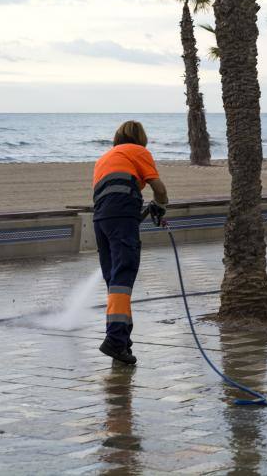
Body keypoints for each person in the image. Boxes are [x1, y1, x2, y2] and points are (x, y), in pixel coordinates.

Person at [92, 120, 168, 365]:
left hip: (101, 219)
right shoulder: (138, 151)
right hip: (122, 216)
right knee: (123, 278)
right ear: (141, 137)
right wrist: (161, 205)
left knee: (115, 281)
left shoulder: (104, 157)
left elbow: (110, 192)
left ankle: (121, 340)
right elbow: (159, 188)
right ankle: (114, 340)